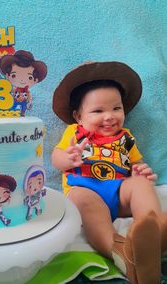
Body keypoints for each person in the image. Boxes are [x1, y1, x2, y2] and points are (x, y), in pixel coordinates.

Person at [51, 61, 167, 284]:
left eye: (116, 108)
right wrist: (68, 158)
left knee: (141, 185)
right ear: (78, 116)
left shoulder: (126, 136)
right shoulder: (75, 133)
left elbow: (137, 163)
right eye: (98, 111)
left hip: (119, 190)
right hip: (86, 187)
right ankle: (122, 251)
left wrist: (141, 172)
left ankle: (152, 230)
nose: (110, 116)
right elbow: (57, 157)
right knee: (81, 201)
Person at [0, 50, 47, 116]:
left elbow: (29, 97)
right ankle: (10, 112)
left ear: (35, 80)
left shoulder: (27, 92)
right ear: (7, 76)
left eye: (30, 77)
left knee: (23, 108)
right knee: (12, 107)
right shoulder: (15, 89)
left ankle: (22, 113)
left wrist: (29, 102)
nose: (21, 80)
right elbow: (10, 93)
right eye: (14, 75)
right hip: (15, 101)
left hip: (23, 101)